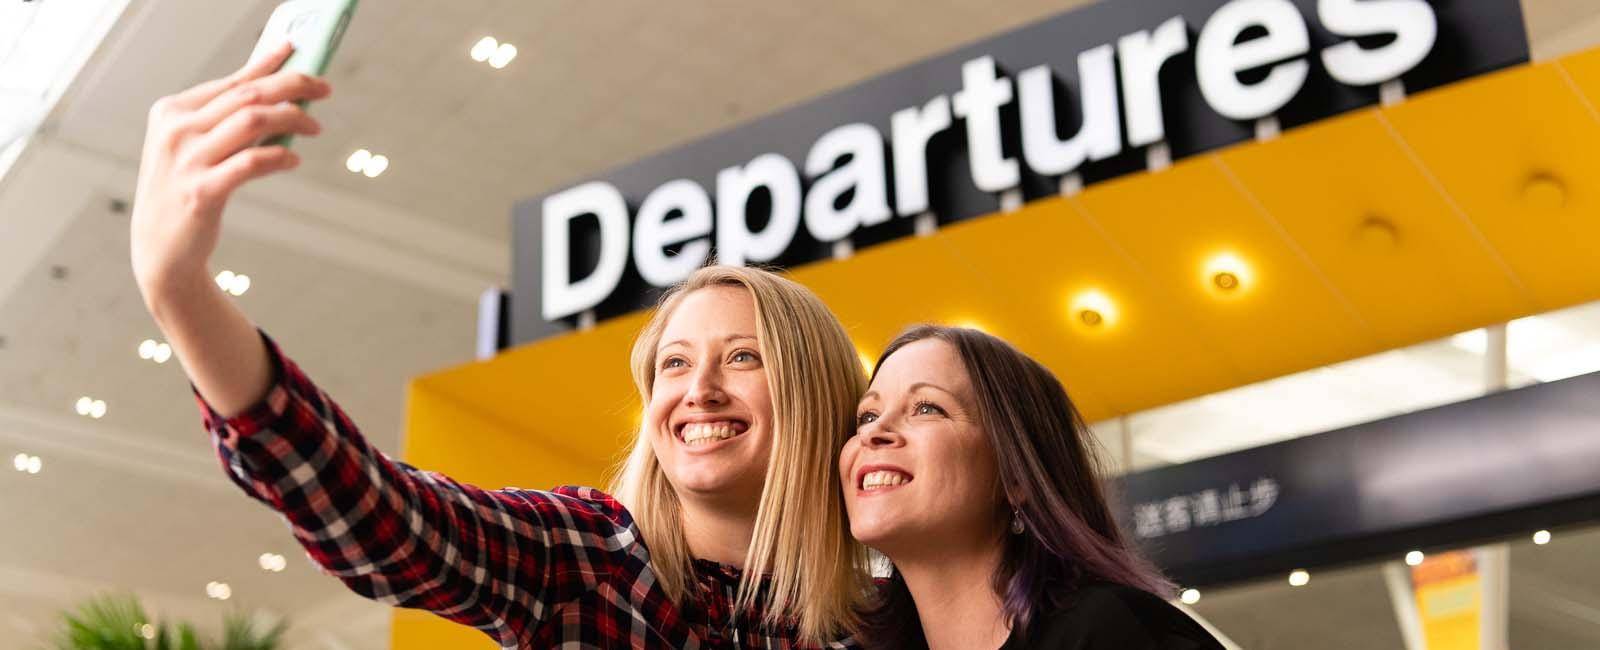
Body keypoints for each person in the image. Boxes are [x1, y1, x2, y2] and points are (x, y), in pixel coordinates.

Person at [130, 42, 872, 648]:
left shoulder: (873, 624)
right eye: (674, 363)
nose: (697, 389)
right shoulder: (589, 560)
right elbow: (383, 517)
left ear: (814, 395)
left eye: (743, 357)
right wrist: (181, 291)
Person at [842, 325, 1225, 649]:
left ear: (1017, 476)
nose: (874, 432)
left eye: (928, 408)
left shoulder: (1112, 631)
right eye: (868, 414)